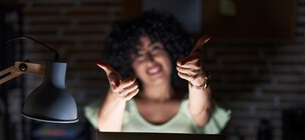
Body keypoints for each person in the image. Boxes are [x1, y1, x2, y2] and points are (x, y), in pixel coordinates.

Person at [84, 9, 231, 133]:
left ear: (170, 51)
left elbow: (201, 114)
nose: (149, 59)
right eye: (139, 54)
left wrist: (198, 80)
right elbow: (107, 130)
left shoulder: (190, 103)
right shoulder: (124, 107)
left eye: (155, 48)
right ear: (129, 63)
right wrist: (116, 95)